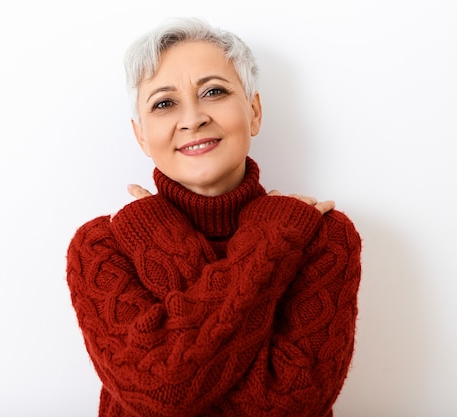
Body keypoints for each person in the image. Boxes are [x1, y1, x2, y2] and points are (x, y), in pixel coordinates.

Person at [66, 17, 362, 417]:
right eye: (164, 103)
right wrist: (263, 244)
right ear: (141, 136)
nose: (192, 118)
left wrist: (270, 236)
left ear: (254, 112)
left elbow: (287, 406)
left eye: (214, 92)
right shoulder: (101, 247)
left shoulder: (320, 236)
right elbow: (162, 393)